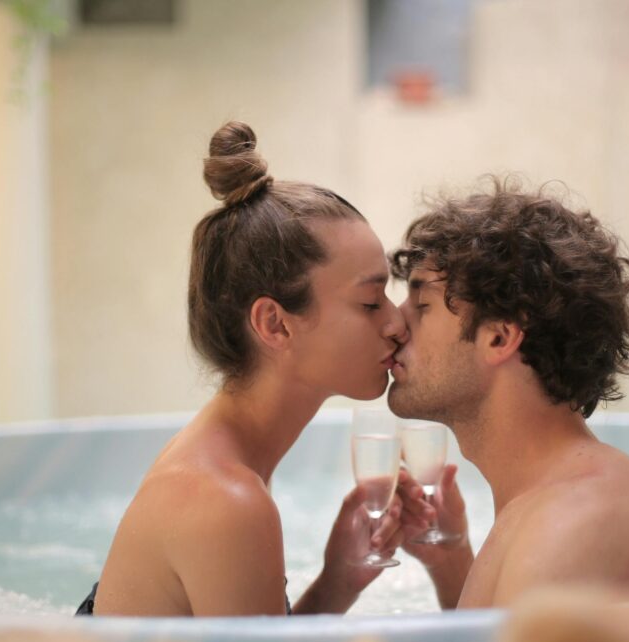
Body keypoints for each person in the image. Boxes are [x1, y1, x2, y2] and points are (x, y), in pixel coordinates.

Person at [77, 122, 408, 616]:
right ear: (275, 324)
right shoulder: (223, 499)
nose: (397, 322)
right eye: (369, 301)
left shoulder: (225, 465)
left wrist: (337, 582)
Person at [390, 179, 629, 609]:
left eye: (421, 306)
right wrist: (451, 564)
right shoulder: (551, 502)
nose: (394, 325)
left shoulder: (575, 524)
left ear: (500, 338)